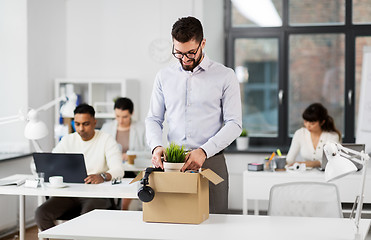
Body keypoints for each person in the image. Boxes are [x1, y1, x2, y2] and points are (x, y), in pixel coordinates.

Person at [145, 16, 242, 214]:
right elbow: (154, 119)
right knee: (174, 222)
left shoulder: (225, 76)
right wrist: (156, 146)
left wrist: (204, 151)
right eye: (178, 53)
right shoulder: (164, 76)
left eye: (191, 52)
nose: (185, 59)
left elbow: (234, 124)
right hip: (173, 164)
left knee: (216, 225)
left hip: (211, 161)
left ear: (202, 43)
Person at [35, 104, 125, 231]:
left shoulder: (106, 139)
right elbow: (52, 161)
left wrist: (103, 176)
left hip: (97, 194)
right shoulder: (68, 140)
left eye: (86, 124)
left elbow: (118, 170)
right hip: (69, 192)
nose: (81, 128)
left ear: (94, 122)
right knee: (41, 214)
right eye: (77, 124)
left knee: (84, 219)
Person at [101, 97, 147, 210]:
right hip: (112, 168)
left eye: (125, 117)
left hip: (132, 170)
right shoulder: (106, 128)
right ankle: (115, 208)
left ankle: (123, 208)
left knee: (129, 181)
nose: (120, 120)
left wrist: (131, 154)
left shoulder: (142, 128)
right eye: (117, 116)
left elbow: (150, 151)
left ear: (132, 113)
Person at [286, 103, 341, 168]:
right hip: (304, 174)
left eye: (312, 123)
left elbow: (334, 160)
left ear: (322, 122)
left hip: (326, 174)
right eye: (305, 122)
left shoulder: (332, 136)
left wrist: (309, 164)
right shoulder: (300, 133)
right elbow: (289, 159)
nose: (308, 126)